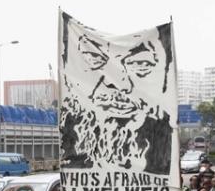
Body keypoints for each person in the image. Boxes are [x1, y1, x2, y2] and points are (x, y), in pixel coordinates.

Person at [59, 16, 174, 175]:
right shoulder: (69, 149)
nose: (119, 84)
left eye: (141, 64)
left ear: (166, 74)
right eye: (92, 58)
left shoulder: (164, 153)